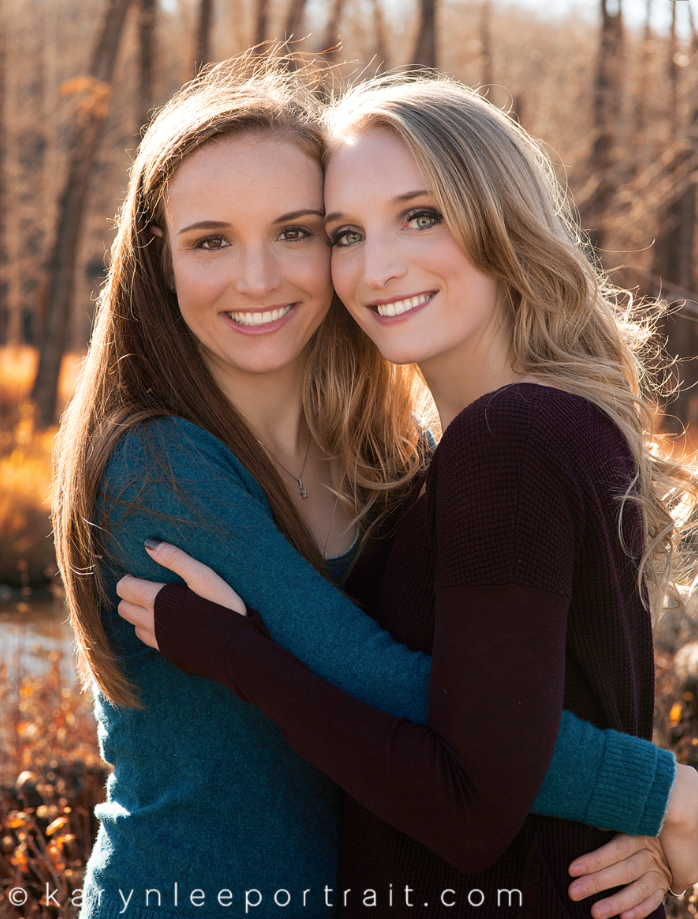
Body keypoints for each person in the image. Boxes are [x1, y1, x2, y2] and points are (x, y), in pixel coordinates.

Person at [53, 55, 686, 919]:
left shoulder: (391, 452)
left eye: (300, 231)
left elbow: (501, 693)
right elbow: (380, 677)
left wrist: (631, 825)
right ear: (158, 263)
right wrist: (660, 794)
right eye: (210, 241)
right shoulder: (161, 468)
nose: (257, 277)